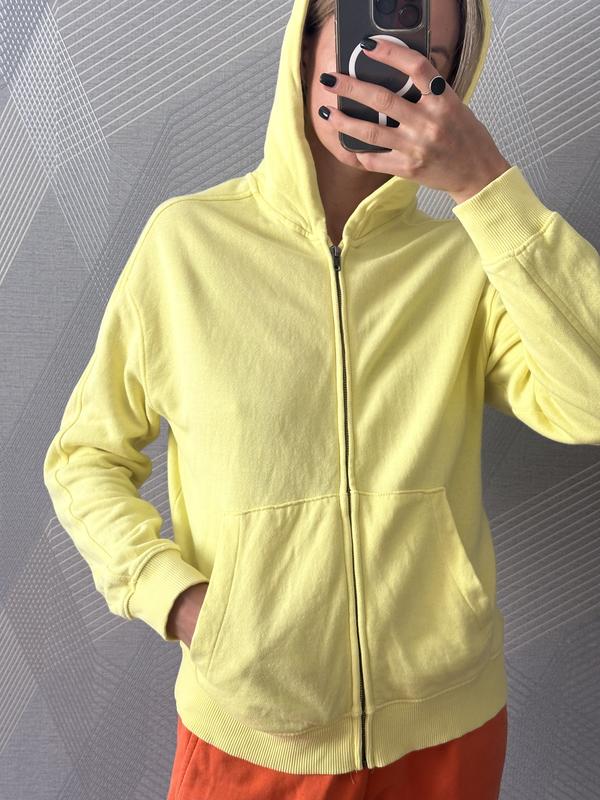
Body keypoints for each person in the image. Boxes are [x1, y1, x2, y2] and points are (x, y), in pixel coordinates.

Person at [42, 0, 600, 796]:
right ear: (305, 47)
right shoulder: (186, 243)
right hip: (251, 732)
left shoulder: (469, 262)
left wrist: (486, 185)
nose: (394, 77)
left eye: (428, 64)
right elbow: (84, 457)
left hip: (447, 731)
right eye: (372, 40)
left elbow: (590, 401)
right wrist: (179, 601)